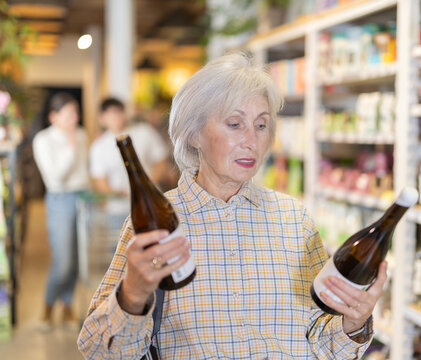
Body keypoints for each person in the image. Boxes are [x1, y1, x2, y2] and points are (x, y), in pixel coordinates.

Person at [78, 53, 387, 359]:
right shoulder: (160, 225)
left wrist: (353, 321)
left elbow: (324, 342)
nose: (252, 140)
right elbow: (99, 350)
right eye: (235, 124)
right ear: (194, 133)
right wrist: (133, 292)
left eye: (262, 125)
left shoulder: (295, 220)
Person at [33, 92, 89, 329]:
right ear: (53, 116)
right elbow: (55, 178)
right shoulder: (43, 140)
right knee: (63, 260)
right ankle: (47, 307)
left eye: (75, 113)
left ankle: (67, 308)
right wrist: (70, 147)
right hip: (60, 199)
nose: (74, 118)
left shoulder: (82, 134)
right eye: (68, 114)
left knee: (78, 259)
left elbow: (85, 170)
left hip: (83, 198)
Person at [89, 98, 169, 195]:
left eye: (119, 111)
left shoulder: (144, 131)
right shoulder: (99, 146)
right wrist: (123, 194)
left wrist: (145, 185)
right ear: (102, 118)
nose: (116, 116)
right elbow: (100, 180)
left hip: (151, 194)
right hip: (119, 203)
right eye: (111, 113)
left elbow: (161, 161)